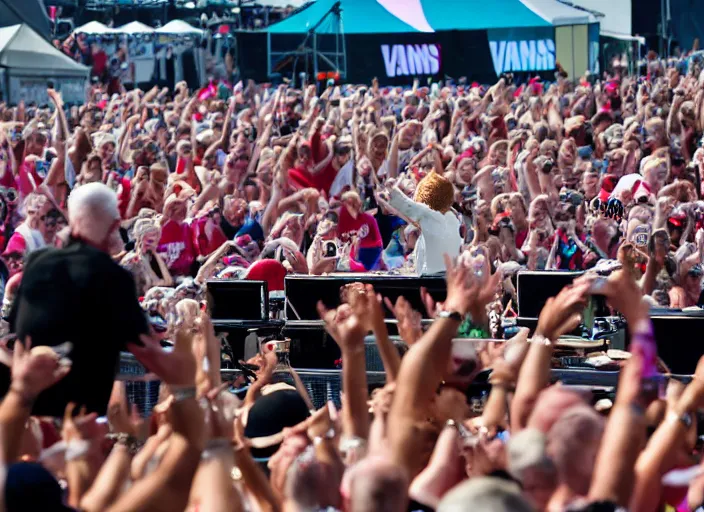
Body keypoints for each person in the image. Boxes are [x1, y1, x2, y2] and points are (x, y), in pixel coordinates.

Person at [5, 183, 149, 415]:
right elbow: (144, 347)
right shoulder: (114, 277)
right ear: (114, 226)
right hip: (84, 421)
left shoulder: (38, 262)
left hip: (30, 413)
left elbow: (17, 328)